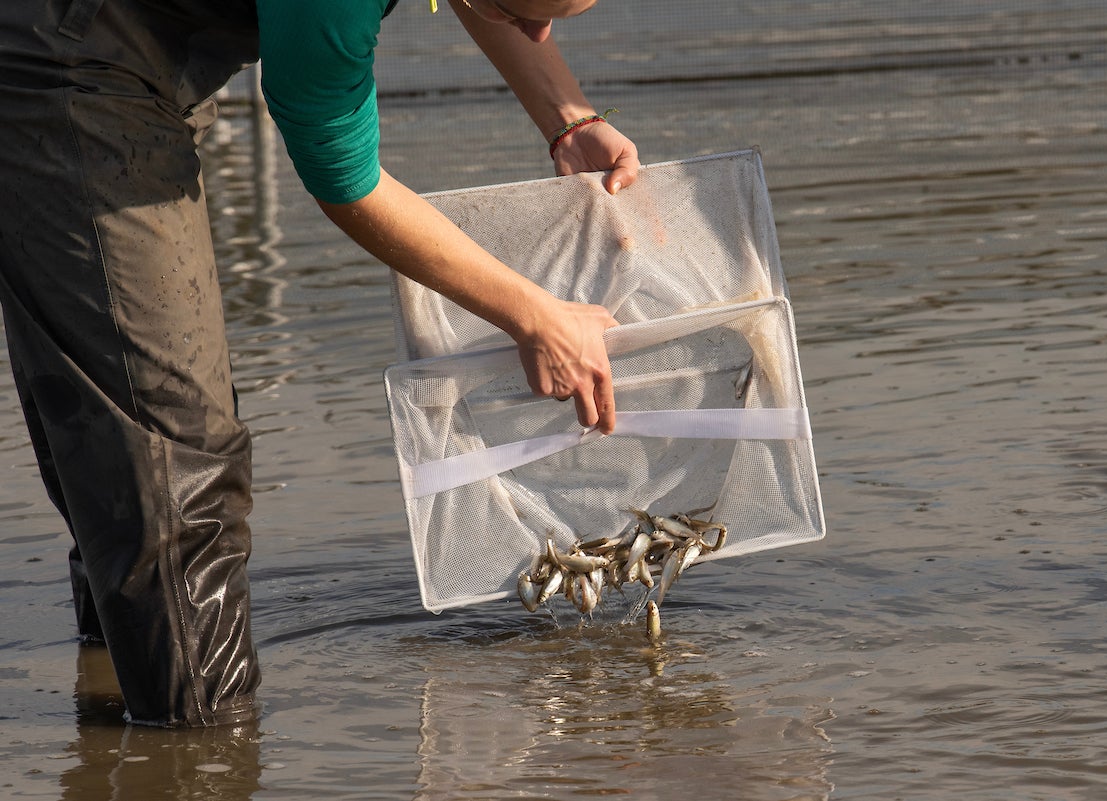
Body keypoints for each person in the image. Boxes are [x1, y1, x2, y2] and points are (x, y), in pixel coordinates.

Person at [0, 0, 639, 727]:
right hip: (67, 56)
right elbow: (343, 175)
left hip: (146, 51)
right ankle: (200, 755)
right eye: (524, 16)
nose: (537, 36)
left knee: (119, 424)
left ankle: (117, 708)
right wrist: (534, 316)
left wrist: (570, 117)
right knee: (173, 456)